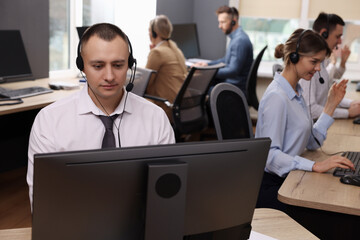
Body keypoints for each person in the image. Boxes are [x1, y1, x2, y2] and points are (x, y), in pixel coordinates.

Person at [27, 23, 175, 207]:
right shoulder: (50, 120)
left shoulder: (156, 118)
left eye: (118, 65)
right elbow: (42, 199)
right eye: (98, 66)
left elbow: (166, 192)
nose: (110, 76)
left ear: (130, 65)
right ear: (82, 66)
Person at [255, 29, 355, 211]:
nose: (318, 69)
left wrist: (330, 106)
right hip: (274, 186)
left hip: (290, 177)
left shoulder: (297, 92)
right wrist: (315, 165)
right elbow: (270, 156)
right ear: (293, 57)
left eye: (321, 63)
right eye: (314, 62)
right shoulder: (277, 97)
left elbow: (312, 142)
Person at [299, 12, 360, 119]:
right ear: (324, 33)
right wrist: (347, 113)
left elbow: (326, 97)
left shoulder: (322, 60)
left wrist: (351, 104)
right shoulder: (309, 65)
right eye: (338, 36)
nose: (340, 41)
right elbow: (310, 109)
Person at [194, 6, 253, 94]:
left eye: (223, 22)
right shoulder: (236, 37)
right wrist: (207, 65)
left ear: (233, 21)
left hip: (234, 88)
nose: (219, 26)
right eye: (219, 22)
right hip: (230, 84)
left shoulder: (239, 41)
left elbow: (233, 71)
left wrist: (206, 71)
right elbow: (226, 60)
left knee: (197, 88)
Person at [145, 15, 187, 122]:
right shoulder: (176, 50)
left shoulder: (157, 52)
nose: (148, 33)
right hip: (182, 106)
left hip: (167, 107)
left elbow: (146, 82)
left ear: (155, 33)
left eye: (149, 30)